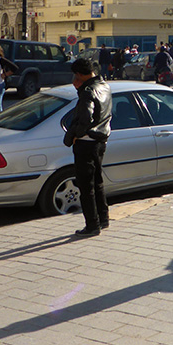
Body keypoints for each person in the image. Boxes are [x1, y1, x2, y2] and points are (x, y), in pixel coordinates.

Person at [62, 58, 112, 237]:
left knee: (86, 187)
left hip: (86, 143)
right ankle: (103, 219)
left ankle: (92, 225)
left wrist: (75, 135)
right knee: (97, 182)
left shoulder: (88, 92)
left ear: (80, 75)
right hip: (100, 142)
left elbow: (85, 119)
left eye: (75, 76)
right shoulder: (104, 86)